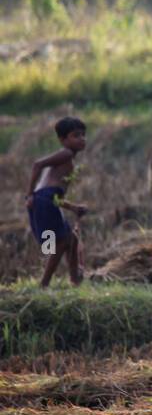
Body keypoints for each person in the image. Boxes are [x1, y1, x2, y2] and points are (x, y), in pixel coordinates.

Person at [25, 116, 89, 288]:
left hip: (46, 200)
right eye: (76, 135)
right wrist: (29, 195)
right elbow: (37, 165)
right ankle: (44, 284)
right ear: (63, 140)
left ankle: (75, 279)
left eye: (83, 135)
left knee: (72, 239)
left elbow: (55, 197)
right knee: (60, 243)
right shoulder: (66, 154)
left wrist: (74, 207)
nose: (82, 139)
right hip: (43, 201)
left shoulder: (67, 160)